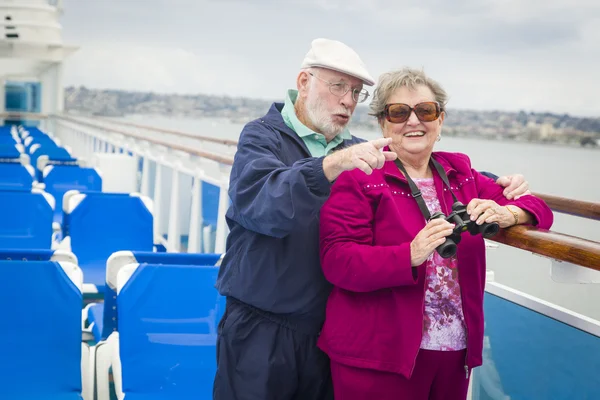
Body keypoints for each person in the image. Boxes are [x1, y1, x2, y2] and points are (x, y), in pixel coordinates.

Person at [213, 38, 531, 400]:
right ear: (303, 82)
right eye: (338, 87)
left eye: (356, 92)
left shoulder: (357, 151)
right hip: (263, 324)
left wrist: (500, 185)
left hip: (324, 329)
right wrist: (331, 166)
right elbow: (260, 204)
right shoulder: (263, 137)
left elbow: (426, 172)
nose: (347, 101)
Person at [317, 67, 554, 400]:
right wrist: (409, 254)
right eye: (399, 112)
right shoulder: (361, 177)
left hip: (454, 352)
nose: (414, 121)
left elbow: (538, 208)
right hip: (379, 356)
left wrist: (508, 213)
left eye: (425, 111)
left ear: (440, 121)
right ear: (383, 124)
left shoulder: (460, 174)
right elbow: (336, 260)